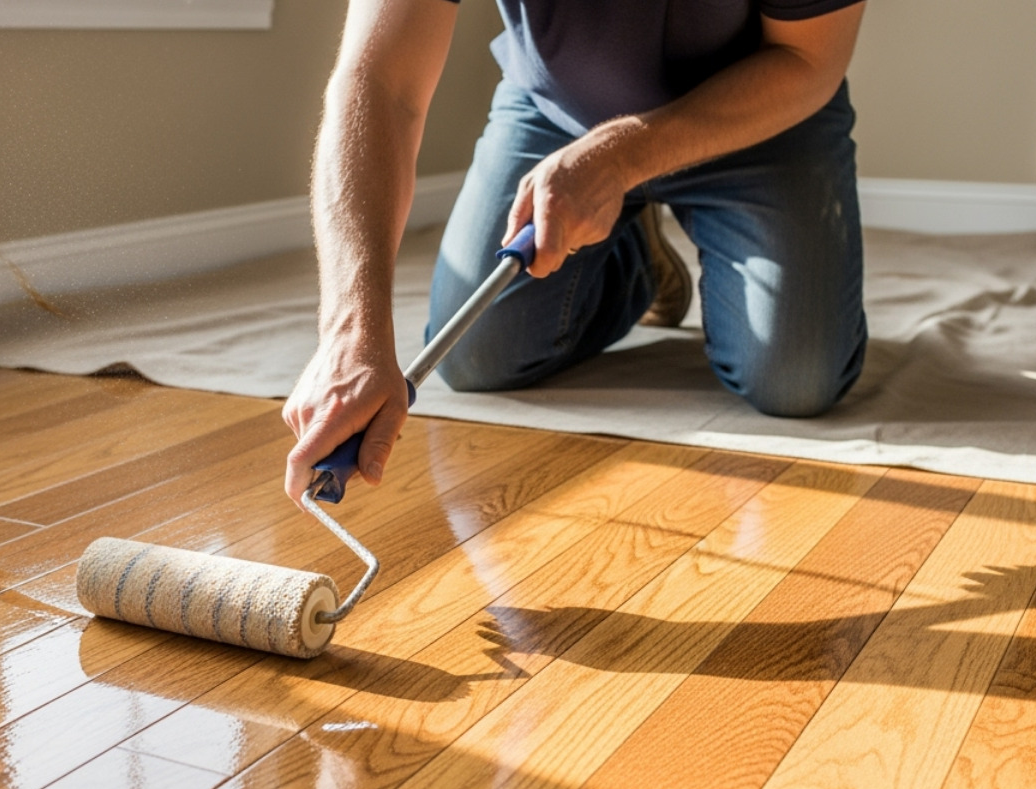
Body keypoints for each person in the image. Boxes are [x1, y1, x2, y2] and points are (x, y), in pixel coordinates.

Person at [283, 0, 868, 506]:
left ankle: (641, 204)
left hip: (758, 110)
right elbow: (379, 82)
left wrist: (622, 157)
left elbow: (809, 60)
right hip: (556, 112)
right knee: (477, 359)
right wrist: (349, 334)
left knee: (796, 380)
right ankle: (633, 259)